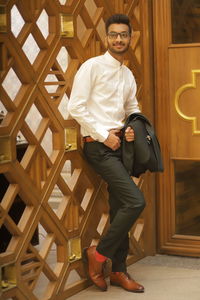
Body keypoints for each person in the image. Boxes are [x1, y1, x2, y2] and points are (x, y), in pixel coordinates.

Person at [68, 14, 145, 293]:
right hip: (98, 146)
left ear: (130, 37)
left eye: (124, 35)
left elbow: (132, 108)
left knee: (121, 206)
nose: (119, 39)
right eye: (114, 34)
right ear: (106, 37)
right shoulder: (92, 67)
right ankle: (97, 255)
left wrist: (131, 127)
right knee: (136, 202)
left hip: (121, 147)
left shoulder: (127, 75)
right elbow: (75, 107)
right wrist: (104, 135)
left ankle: (119, 271)